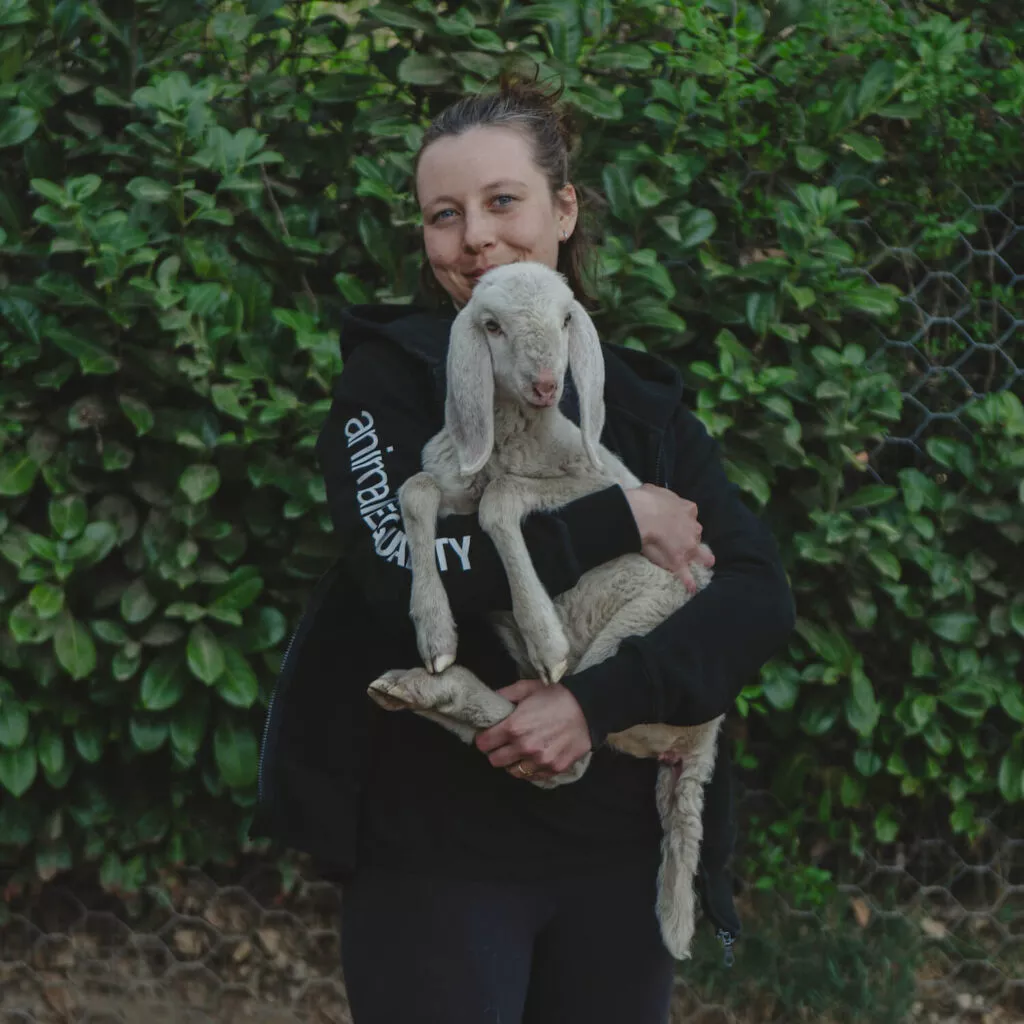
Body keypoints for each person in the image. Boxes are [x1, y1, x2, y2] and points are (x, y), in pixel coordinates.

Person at [251, 76, 795, 1024]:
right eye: (443, 216)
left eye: (503, 201)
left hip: (614, 859)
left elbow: (756, 596)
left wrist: (593, 704)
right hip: (435, 857)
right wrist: (615, 524)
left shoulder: (642, 404)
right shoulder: (392, 384)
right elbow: (395, 575)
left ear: (564, 208)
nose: (474, 240)